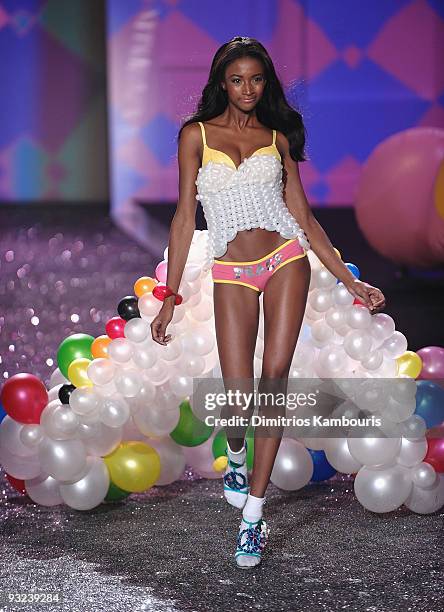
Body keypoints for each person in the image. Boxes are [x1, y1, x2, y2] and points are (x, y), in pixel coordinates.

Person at [150, 36, 386, 568]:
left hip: (285, 258)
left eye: (257, 79)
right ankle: (235, 453)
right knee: (238, 395)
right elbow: (185, 217)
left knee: (273, 378)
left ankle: (254, 515)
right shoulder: (197, 136)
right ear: (222, 83)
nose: (248, 89)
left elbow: (303, 217)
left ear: (266, 82)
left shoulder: (279, 137)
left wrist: (350, 283)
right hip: (232, 270)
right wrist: (170, 297)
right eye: (237, 80)